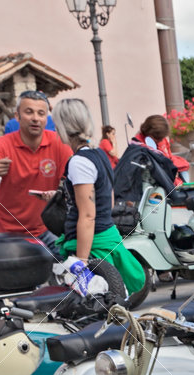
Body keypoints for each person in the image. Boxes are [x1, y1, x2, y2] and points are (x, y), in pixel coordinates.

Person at [54, 98, 146, 296]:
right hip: (107, 235)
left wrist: (81, 263)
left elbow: (88, 215)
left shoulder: (79, 162)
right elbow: (108, 198)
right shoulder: (100, 154)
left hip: (93, 245)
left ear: (63, 126)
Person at [0, 90, 72, 246]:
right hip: (8, 232)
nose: (35, 118)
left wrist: (59, 194)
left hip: (48, 229)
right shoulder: (2, 145)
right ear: (17, 116)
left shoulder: (60, 144)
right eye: (29, 112)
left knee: (67, 265)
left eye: (41, 113)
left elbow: (72, 186)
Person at [135, 115, 191, 181]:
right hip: (157, 177)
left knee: (183, 167)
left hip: (170, 173)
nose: (161, 140)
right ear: (150, 133)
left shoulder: (160, 137)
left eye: (162, 138)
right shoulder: (138, 144)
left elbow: (169, 157)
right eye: (159, 138)